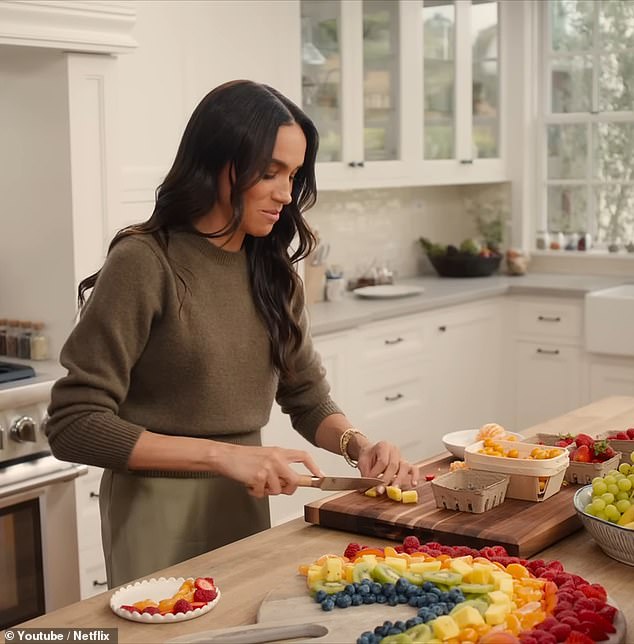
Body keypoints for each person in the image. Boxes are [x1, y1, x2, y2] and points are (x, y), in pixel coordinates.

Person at [46, 79, 419, 589]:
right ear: (219, 165)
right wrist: (225, 456)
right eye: (270, 173)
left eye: (293, 174)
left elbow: (307, 397)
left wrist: (358, 444)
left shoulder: (272, 271)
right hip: (156, 510)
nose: (286, 194)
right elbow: (73, 424)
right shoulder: (145, 262)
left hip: (244, 506)